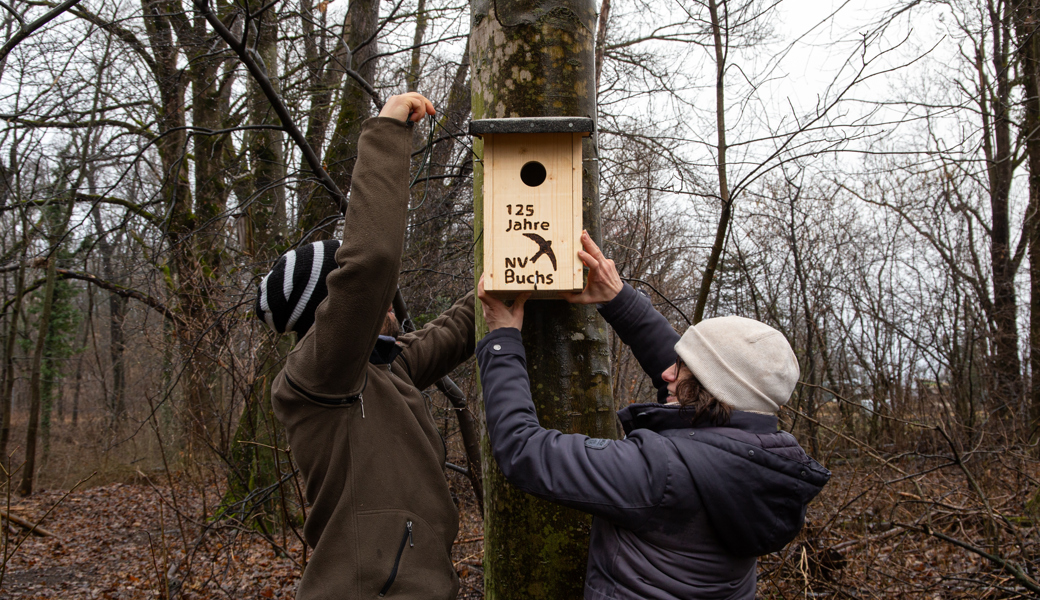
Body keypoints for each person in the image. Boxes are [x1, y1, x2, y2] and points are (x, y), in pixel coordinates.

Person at [476, 231, 830, 600]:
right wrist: (618, 299)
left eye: (683, 368)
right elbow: (695, 391)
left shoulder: (660, 474)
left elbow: (522, 448)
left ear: (714, 391)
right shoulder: (768, 465)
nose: (667, 374)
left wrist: (502, 339)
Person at [257, 93, 473, 600]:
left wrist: (521, 272)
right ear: (332, 306)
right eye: (365, 293)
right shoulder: (316, 378)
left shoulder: (384, 368)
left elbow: (459, 328)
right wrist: (387, 131)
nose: (388, 298)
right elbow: (372, 259)